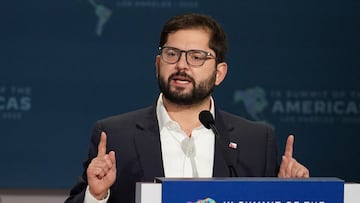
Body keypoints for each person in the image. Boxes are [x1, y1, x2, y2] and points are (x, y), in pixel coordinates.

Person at [65, 13, 309, 203]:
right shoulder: (116, 135)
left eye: (196, 57)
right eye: (172, 54)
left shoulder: (255, 140)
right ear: (158, 63)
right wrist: (96, 196)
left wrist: (289, 193)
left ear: (219, 73)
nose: (181, 65)